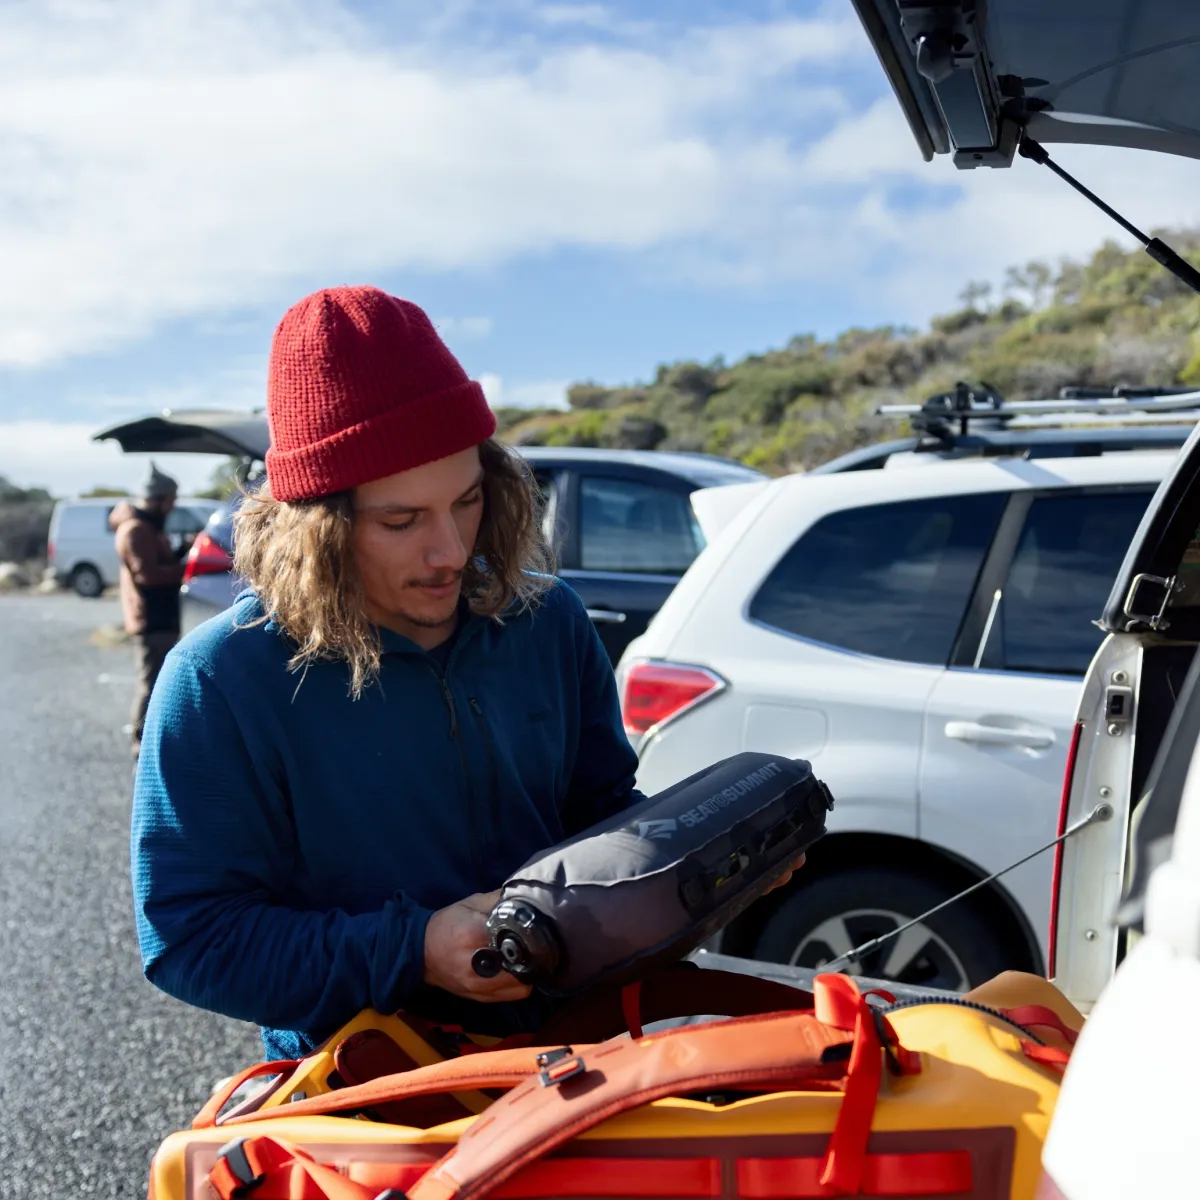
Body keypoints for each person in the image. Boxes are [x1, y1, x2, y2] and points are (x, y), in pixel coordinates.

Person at [130, 286, 804, 1062]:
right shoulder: (219, 680)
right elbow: (190, 939)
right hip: (374, 1089)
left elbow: (601, 815)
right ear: (318, 526)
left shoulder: (548, 622)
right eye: (401, 520)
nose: (450, 550)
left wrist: (708, 868)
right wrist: (414, 948)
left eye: (468, 500)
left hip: (588, 1059)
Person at [111, 462, 186, 760]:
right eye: (170, 500)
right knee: (150, 682)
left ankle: (150, 741)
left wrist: (183, 551)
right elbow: (148, 576)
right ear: (158, 499)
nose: (173, 507)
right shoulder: (137, 530)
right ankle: (140, 744)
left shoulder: (147, 528)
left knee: (156, 680)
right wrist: (186, 569)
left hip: (158, 617)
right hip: (150, 619)